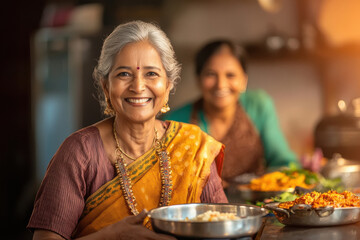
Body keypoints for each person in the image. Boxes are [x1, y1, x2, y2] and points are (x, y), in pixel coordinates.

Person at [27, 21, 227, 240]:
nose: (138, 86)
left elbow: (223, 229)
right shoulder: (79, 153)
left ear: (168, 85)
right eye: (124, 74)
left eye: (151, 74)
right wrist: (111, 236)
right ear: (106, 86)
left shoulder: (194, 147)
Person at [163, 40, 299, 182]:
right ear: (198, 79)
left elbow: (284, 161)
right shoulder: (176, 122)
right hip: (200, 204)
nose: (221, 84)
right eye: (211, 74)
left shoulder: (258, 106)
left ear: (244, 81)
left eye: (230, 75)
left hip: (256, 201)